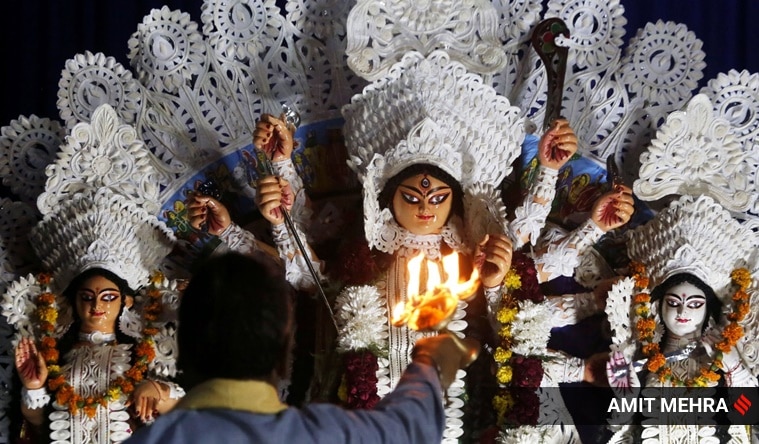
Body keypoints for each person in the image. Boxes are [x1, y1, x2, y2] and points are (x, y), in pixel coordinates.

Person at [124, 251, 479, 444]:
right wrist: (430, 361)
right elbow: (409, 426)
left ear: (182, 347)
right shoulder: (329, 435)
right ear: (283, 353)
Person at [603, 194, 758, 443]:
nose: (682, 312)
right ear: (658, 307)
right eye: (673, 303)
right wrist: (626, 395)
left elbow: (748, 414)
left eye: (695, 304)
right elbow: (622, 431)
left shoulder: (722, 362)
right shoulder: (644, 362)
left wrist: (735, 369)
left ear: (708, 309)